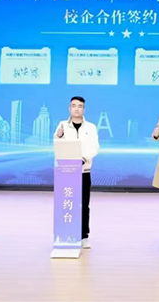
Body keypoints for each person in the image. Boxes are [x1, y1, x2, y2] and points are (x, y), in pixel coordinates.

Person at [54, 96, 99, 249]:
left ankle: (84, 236)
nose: (77, 109)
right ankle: (66, 233)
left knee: (84, 204)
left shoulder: (91, 127)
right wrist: (59, 136)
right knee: (66, 203)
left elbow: (94, 147)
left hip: (84, 170)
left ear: (83, 109)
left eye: (80, 106)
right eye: (74, 106)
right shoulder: (62, 125)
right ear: (69, 108)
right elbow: (57, 146)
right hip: (66, 172)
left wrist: (83, 159)